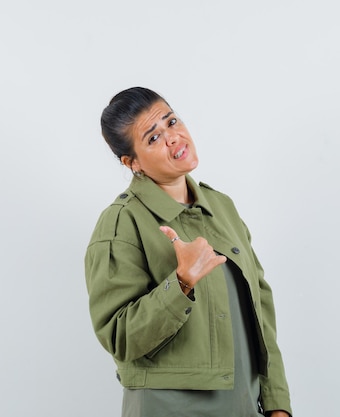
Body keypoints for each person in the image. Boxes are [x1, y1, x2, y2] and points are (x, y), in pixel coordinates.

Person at [85, 87, 292, 417]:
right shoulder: (120, 223)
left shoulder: (222, 206)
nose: (173, 138)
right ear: (132, 163)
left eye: (171, 121)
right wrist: (181, 282)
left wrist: (277, 404)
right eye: (153, 138)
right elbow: (120, 338)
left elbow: (261, 310)